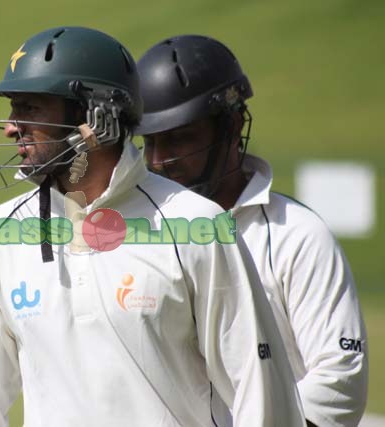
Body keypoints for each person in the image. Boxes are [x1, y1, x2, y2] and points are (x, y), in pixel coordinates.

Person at [0, 27, 306, 426]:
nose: (11, 127)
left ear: (95, 117)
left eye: (30, 108)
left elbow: (260, 394)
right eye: (15, 108)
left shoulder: (198, 226)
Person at [135, 34, 368, 427]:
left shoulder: (296, 234)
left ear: (232, 126)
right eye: (149, 142)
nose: (158, 161)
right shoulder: (136, 234)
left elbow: (340, 378)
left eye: (178, 139)